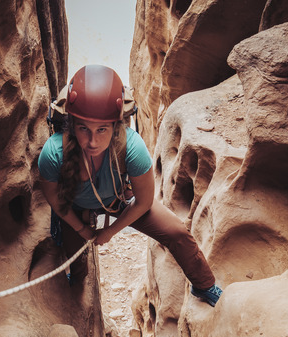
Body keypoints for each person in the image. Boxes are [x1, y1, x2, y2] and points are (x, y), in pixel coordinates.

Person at [37, 65, 223, 306]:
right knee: (77, 256)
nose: (92, 141)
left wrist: (110, 231)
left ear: (115, 126)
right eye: (83, 128)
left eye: (102, 129)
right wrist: (82, 230)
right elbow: (56, 200)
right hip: (75, 208)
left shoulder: (132, 148)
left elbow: (144, 202)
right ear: (72, 125)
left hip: (120, 202)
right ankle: (77, 281)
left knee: (177, 232)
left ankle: (205, 286)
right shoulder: (54, 152)